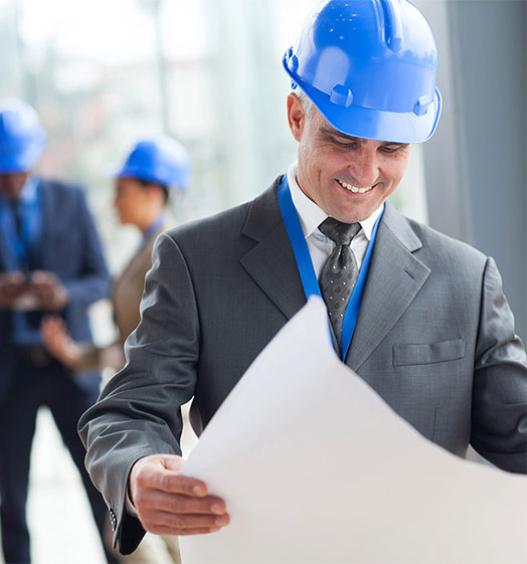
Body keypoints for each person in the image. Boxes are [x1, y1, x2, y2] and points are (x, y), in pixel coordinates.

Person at [78, 0, 527, 557]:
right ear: (296, 116)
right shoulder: (195, 261)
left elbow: (518, 430)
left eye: (391, 148)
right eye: (343, 140)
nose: (366, 173)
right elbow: (129, 410)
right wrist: (139, 469)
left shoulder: (465, 278)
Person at [42, 136, 190, 564]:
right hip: (143, 403)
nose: (114, 202)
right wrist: (74, 354)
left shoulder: (170, 252)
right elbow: (130, 342)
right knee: (151, 528)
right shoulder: (148, 249)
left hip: (164, 411)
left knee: (148, 532)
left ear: (152, 191)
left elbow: (151, 347)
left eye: (122, 190)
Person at [0, 98, 116, 563]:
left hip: (70, 366)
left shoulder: (70, 201)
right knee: (10, 495)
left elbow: (102, 279)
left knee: (100, 486)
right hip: (10, 374)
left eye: (18, 171)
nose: (10, 182)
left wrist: (63, 294)